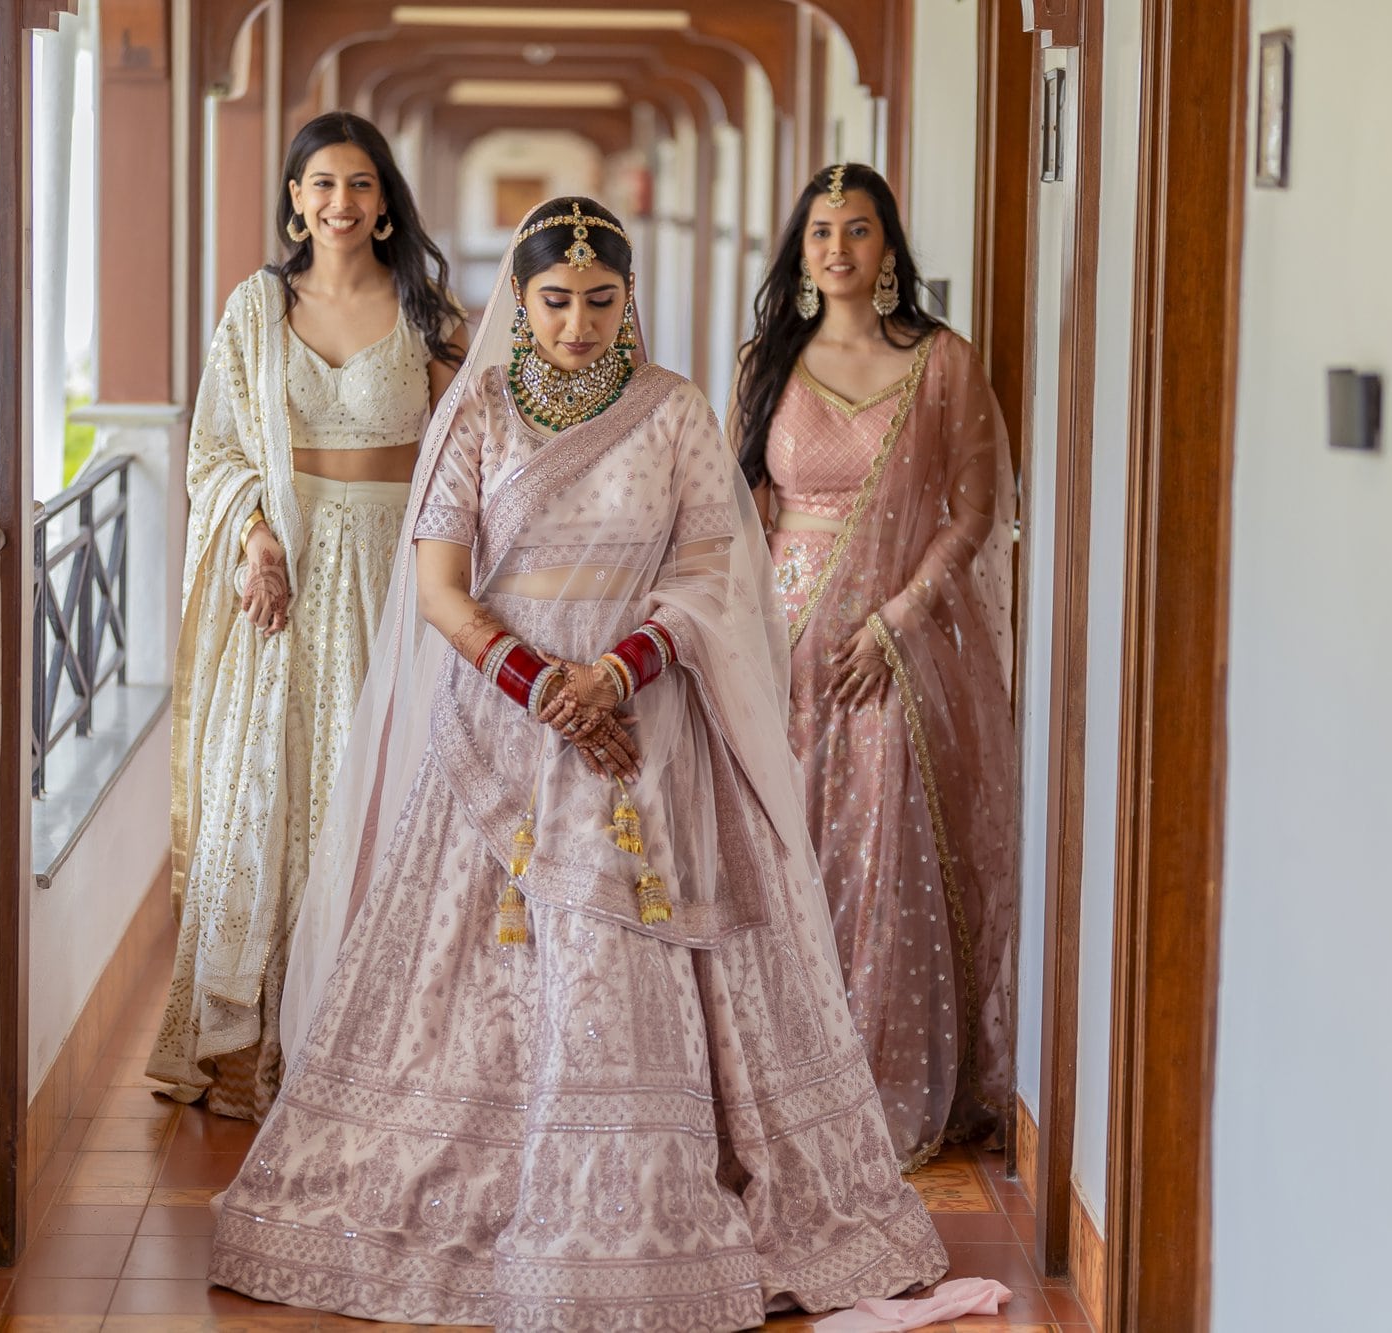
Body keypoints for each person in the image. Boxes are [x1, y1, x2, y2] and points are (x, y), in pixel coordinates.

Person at [207, 196, 947, 1329]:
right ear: (521, 301)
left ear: (628, 300)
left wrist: (616, 672)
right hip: (495, 735)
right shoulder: (480, 415)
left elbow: (713, 573)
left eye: (602, 301)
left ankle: (632, 1206)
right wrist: (537, 682)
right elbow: (440, 587)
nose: (578, 324)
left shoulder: (673, 412)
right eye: (555, 301)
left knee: (626, 958)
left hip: (645, 730)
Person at [151, 112, 466, 1120]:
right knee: (272, 792)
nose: (340, 202)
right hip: (283, 576)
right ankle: (251, 1042)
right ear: (294, 197)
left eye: (360, 184)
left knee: (376, 790)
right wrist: (254, 537)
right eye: (321, 184)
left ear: (384, 201)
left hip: (393, 573)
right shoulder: (254, 309)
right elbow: (212, 450)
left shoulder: (427, 311)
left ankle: (364, 1036)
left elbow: (470, 455)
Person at [729, 163, 1018, 1169]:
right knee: (785, 851)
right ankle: (779, 1080)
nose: (837, 249)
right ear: (799, 249)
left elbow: (974, 511)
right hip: (781, 651)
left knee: (880, 856)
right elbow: (738, 518)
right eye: (818, 232)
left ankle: (869, 1078)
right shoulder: (766, 360)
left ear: (888, 247)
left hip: (889, 653)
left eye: (857, 230)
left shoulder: (942, 363)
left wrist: (897, 618)